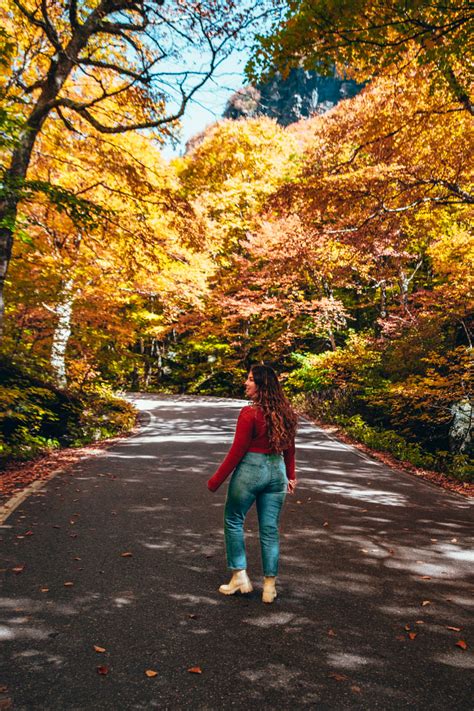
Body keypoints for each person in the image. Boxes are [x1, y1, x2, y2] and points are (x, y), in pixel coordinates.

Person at [207, 364, 297, 603]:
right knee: (270, 529)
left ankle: (239, 576)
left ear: (261, 385)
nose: (246, 384)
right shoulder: (287, 413)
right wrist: (291, 475)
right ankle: (269, 587)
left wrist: (216, 480)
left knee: (233, 519)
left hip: (251, 471)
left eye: (250, 380)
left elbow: (238, 451)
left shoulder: (249, 413)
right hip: (277, 472)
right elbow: (290, 448)